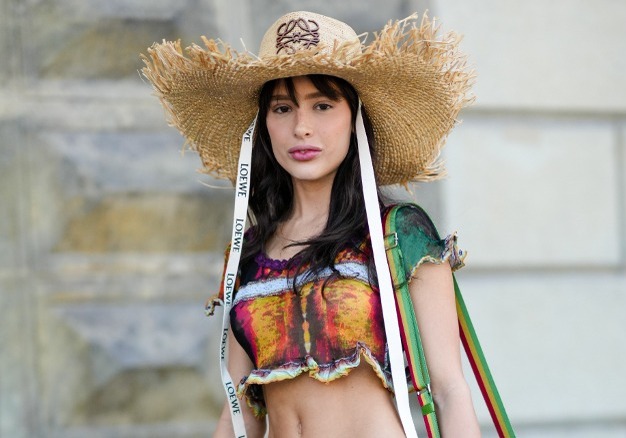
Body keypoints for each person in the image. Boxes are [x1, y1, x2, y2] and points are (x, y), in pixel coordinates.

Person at [143, 10, 477, 438]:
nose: (301, 127)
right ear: (263, 126)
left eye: (322, 105)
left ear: (355, 118)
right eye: (283, 108)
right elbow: (239, 413)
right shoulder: (247, 254)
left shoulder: (398, 233)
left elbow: (450, 390)